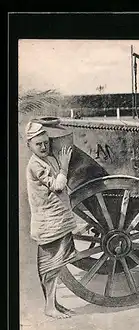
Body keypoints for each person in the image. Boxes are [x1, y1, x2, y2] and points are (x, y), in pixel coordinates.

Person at [25, 121, 77, 319]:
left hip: (58, 220)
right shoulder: (35, 165)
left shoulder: (47, 159)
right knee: (50, 267)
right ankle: (49, 307)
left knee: (58, 263)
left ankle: (54, 304)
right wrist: (64, 167)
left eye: (46, 142)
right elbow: (57, 186)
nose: (44, 147)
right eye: (39, 144)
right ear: (29, 145)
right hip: (48, 223)